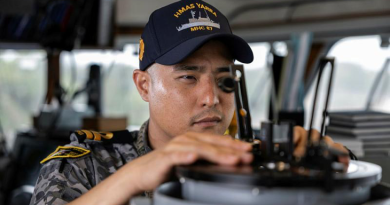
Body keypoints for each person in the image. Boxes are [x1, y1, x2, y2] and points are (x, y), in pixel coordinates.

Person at [30, 0, 350, 204]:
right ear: (144, 86)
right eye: (188, 77)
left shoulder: (258, 164)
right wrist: (134, 177)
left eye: (224, 80)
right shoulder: (83, 165)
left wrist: (316, 169)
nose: (211, 98)